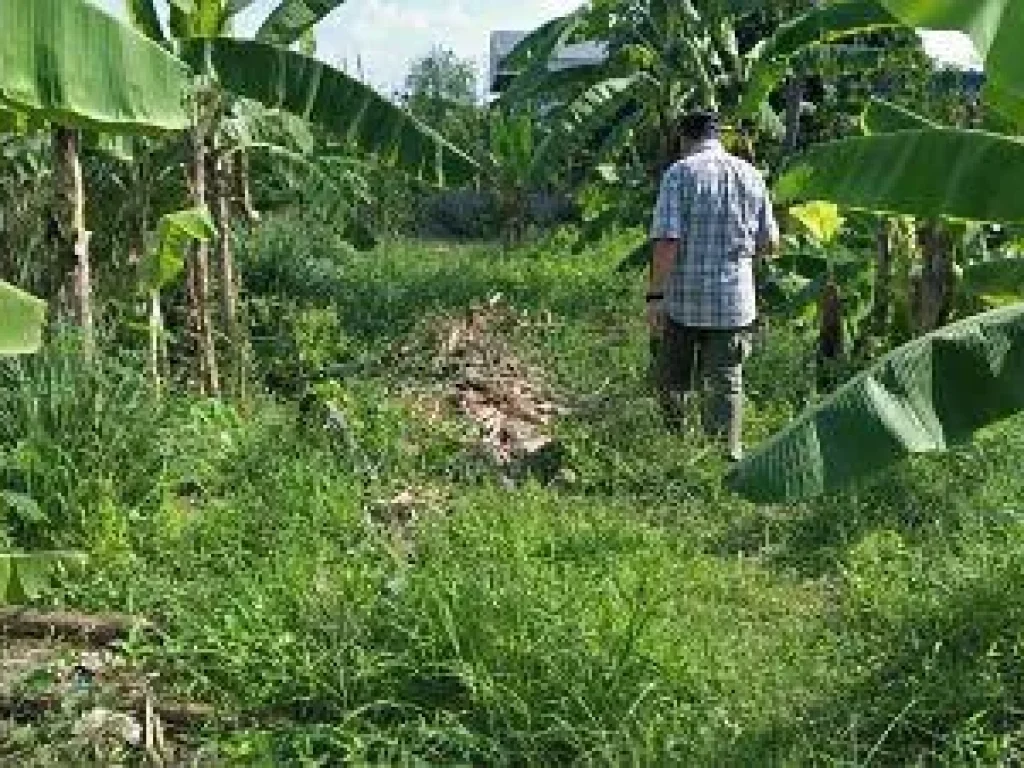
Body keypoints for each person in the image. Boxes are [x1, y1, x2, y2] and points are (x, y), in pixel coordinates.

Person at [647, 110, 779, 462]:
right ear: (717, 136)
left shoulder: (679, 173)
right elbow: (770, 244)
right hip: (733, 303)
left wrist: (655, 295)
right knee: (726, 382)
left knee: (674, 379)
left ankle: (674, 450)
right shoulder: (751, 175)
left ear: (683, 139)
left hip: (683, 301)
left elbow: (667, 241)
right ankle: (725, 457)